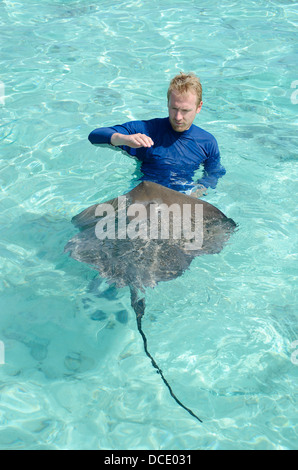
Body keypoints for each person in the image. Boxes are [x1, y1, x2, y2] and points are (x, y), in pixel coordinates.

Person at [88, 72, 226, 196]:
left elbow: (214, 173)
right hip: (142, 198)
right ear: (168, 103)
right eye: (174, 108)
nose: (178, 117)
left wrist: (196, 193)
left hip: (181, 200)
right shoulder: (147, 130)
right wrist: (124, 139)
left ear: (199, 107)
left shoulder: (207, 142)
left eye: (185, 111)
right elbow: (94, 136)